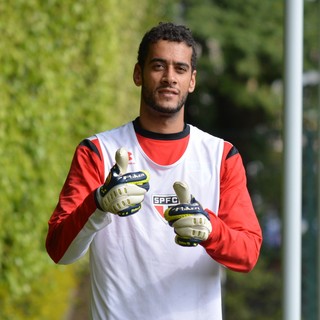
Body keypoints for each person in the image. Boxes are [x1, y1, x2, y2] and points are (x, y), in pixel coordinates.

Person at [46, 22, 262, 320]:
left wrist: (210, 231)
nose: (169, 77)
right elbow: (60, 251)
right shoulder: (97, 151)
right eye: (158, 66)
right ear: (138, 73)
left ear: (192, 81)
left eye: (180, 69)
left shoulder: (221, 155)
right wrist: (97, 204)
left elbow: (248, 254)